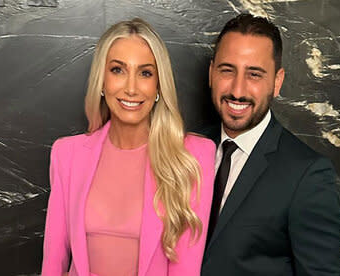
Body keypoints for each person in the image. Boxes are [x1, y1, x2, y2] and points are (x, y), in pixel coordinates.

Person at [41, 18, 215, 276]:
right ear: (102, 80)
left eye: (145, 73)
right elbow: (53, 264)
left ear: (158, 86)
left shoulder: (192, 157)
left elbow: (186, 269)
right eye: (117, 70)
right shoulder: (67, 154)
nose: (131, 88)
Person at [201, 14, 340, 275]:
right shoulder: (186, 148)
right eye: (227, 70)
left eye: (254, 74)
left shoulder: (307, 175)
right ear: (211, 73)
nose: (237, 89)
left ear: (277, 82)